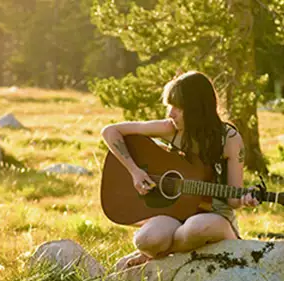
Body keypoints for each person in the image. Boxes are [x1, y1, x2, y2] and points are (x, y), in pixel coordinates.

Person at [100, 71, 259, 270]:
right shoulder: (171, 128)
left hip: (213, 217)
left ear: (196, 109)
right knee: (147, 239)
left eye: (178, 108)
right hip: (175, 214)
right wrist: (135, 171)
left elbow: (233, 200)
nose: (170, 114)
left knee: (194, 229)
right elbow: (110, 131)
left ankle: (162, 254)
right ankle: (155, 251)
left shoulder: (229, 139)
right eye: (169, 106)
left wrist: (245, 199)